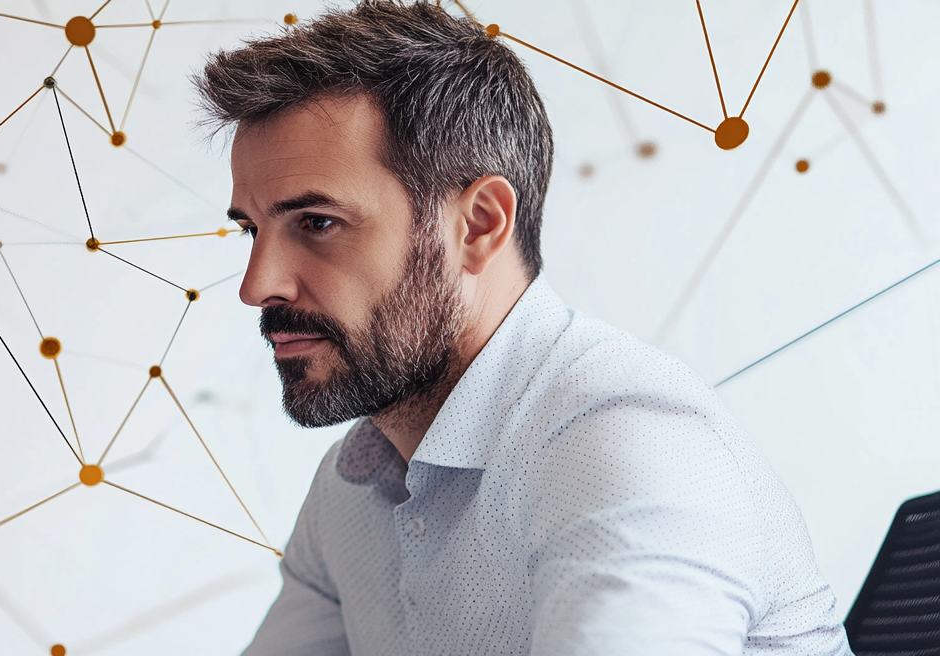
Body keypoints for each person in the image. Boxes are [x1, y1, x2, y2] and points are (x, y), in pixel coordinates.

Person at [195, 2, 850, 654]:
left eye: (316, 222)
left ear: (479, 225)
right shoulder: (348, 490)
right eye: (253, 230)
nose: (257, 286)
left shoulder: (623, 442)